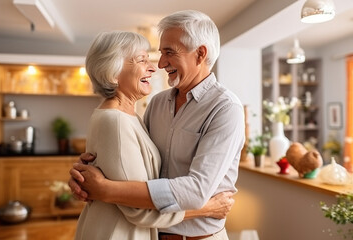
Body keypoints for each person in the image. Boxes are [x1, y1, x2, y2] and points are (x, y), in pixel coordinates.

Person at [70, 10, 245, 240]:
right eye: (160, 53)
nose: (160, 64)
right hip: (152, 233)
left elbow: (196, 191)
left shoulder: (225, 109)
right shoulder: (158, 103)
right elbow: (131, 162)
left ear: (200, 54)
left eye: (169, 52)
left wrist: (106, 189)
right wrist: (87, 176)